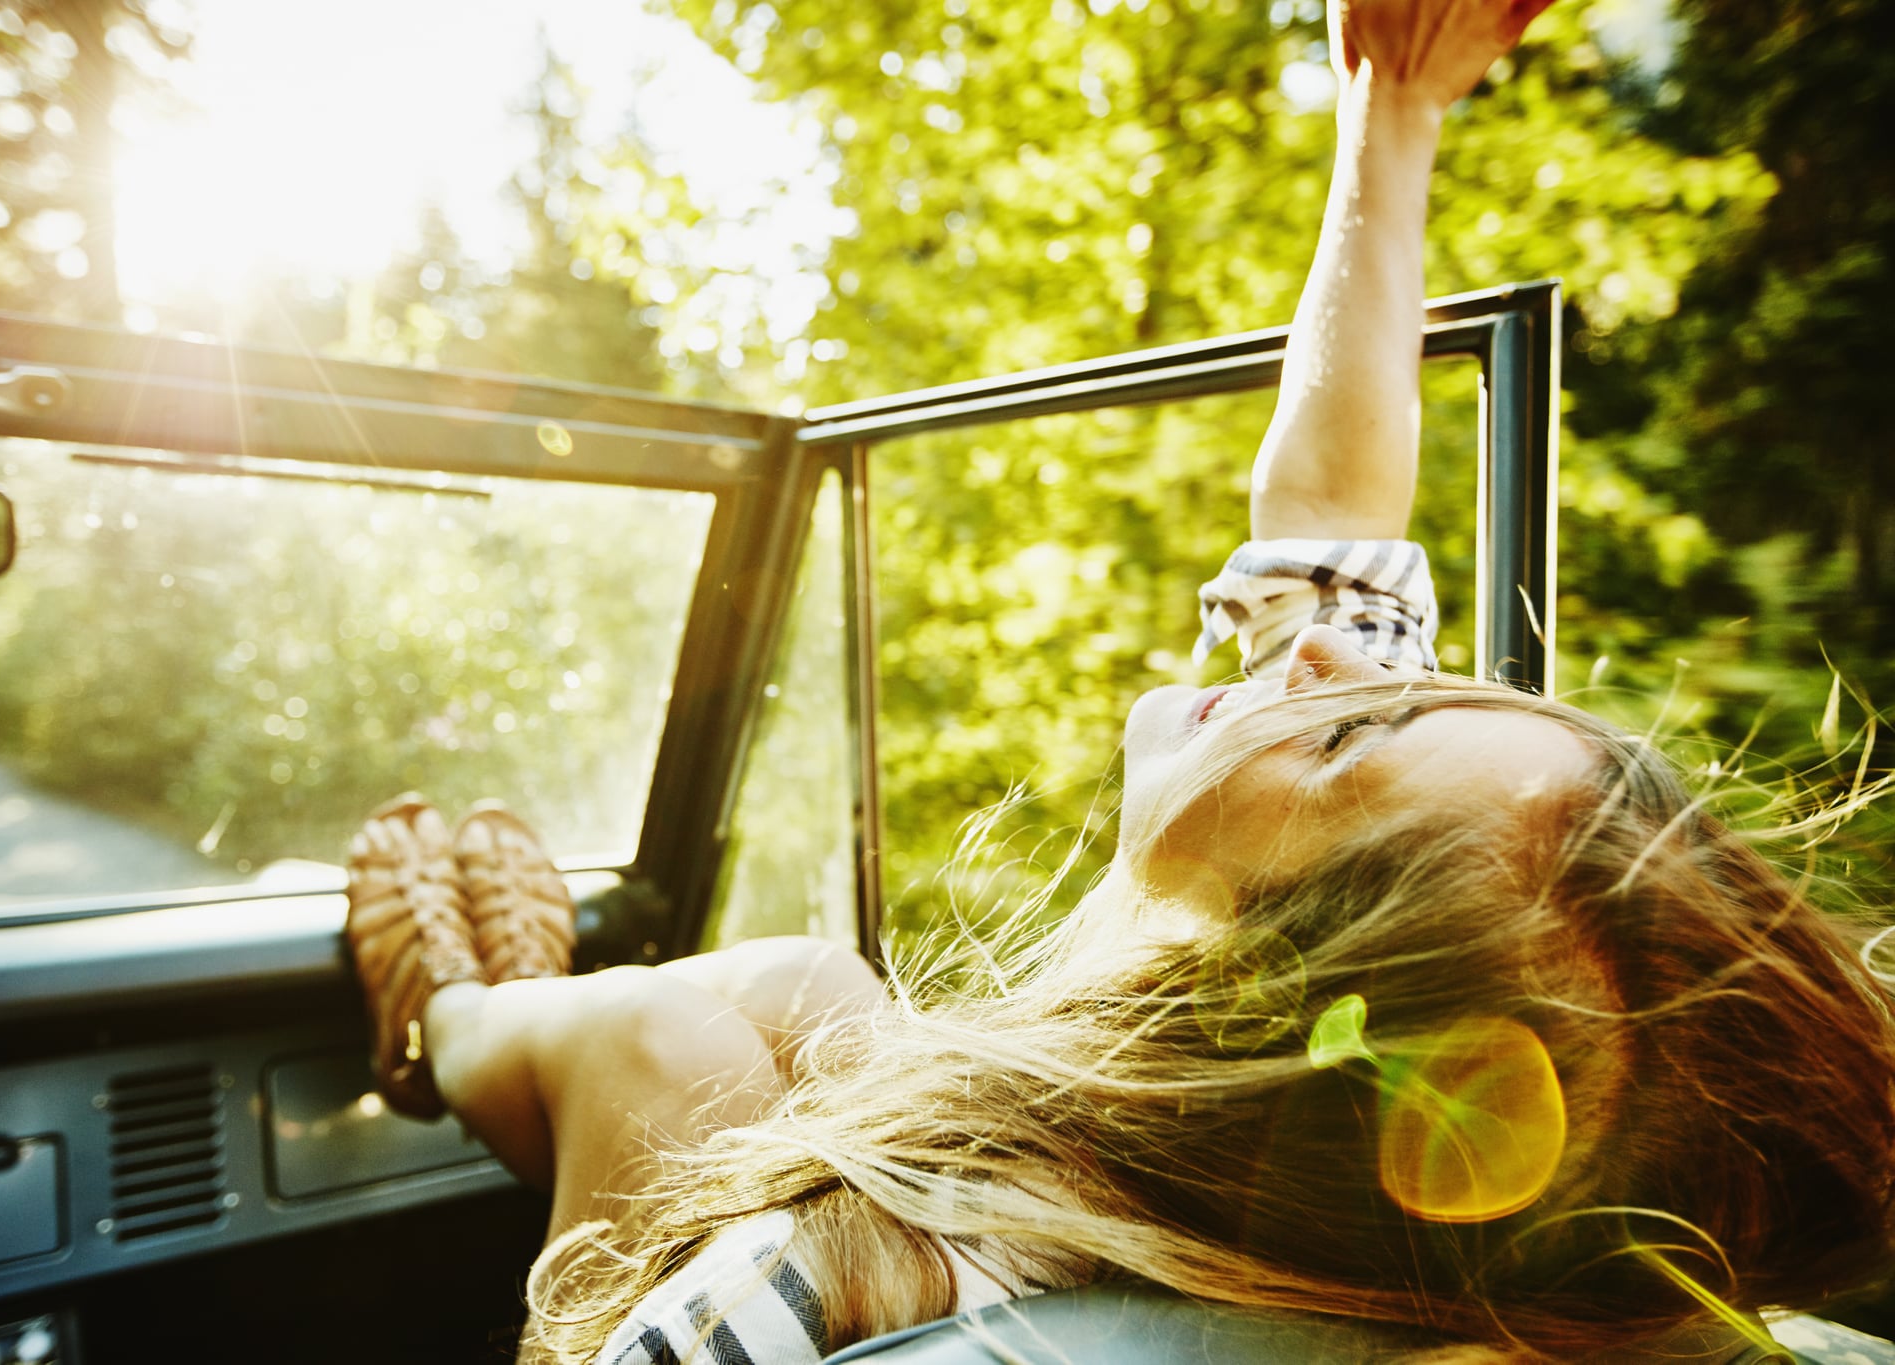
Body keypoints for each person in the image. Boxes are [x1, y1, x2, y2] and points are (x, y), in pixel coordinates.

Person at [342, 0, 1895, 1360]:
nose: (1329, 643)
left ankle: (456, 1015)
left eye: (1353, 732)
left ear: (1266, 1001)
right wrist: (1392, 109)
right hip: (1017, 1135)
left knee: (651, 1046)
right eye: (1411, 689)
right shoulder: (1312, 1110)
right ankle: (508, 991)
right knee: (814, 983)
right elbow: (1333, 525)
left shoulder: (822, 1284)